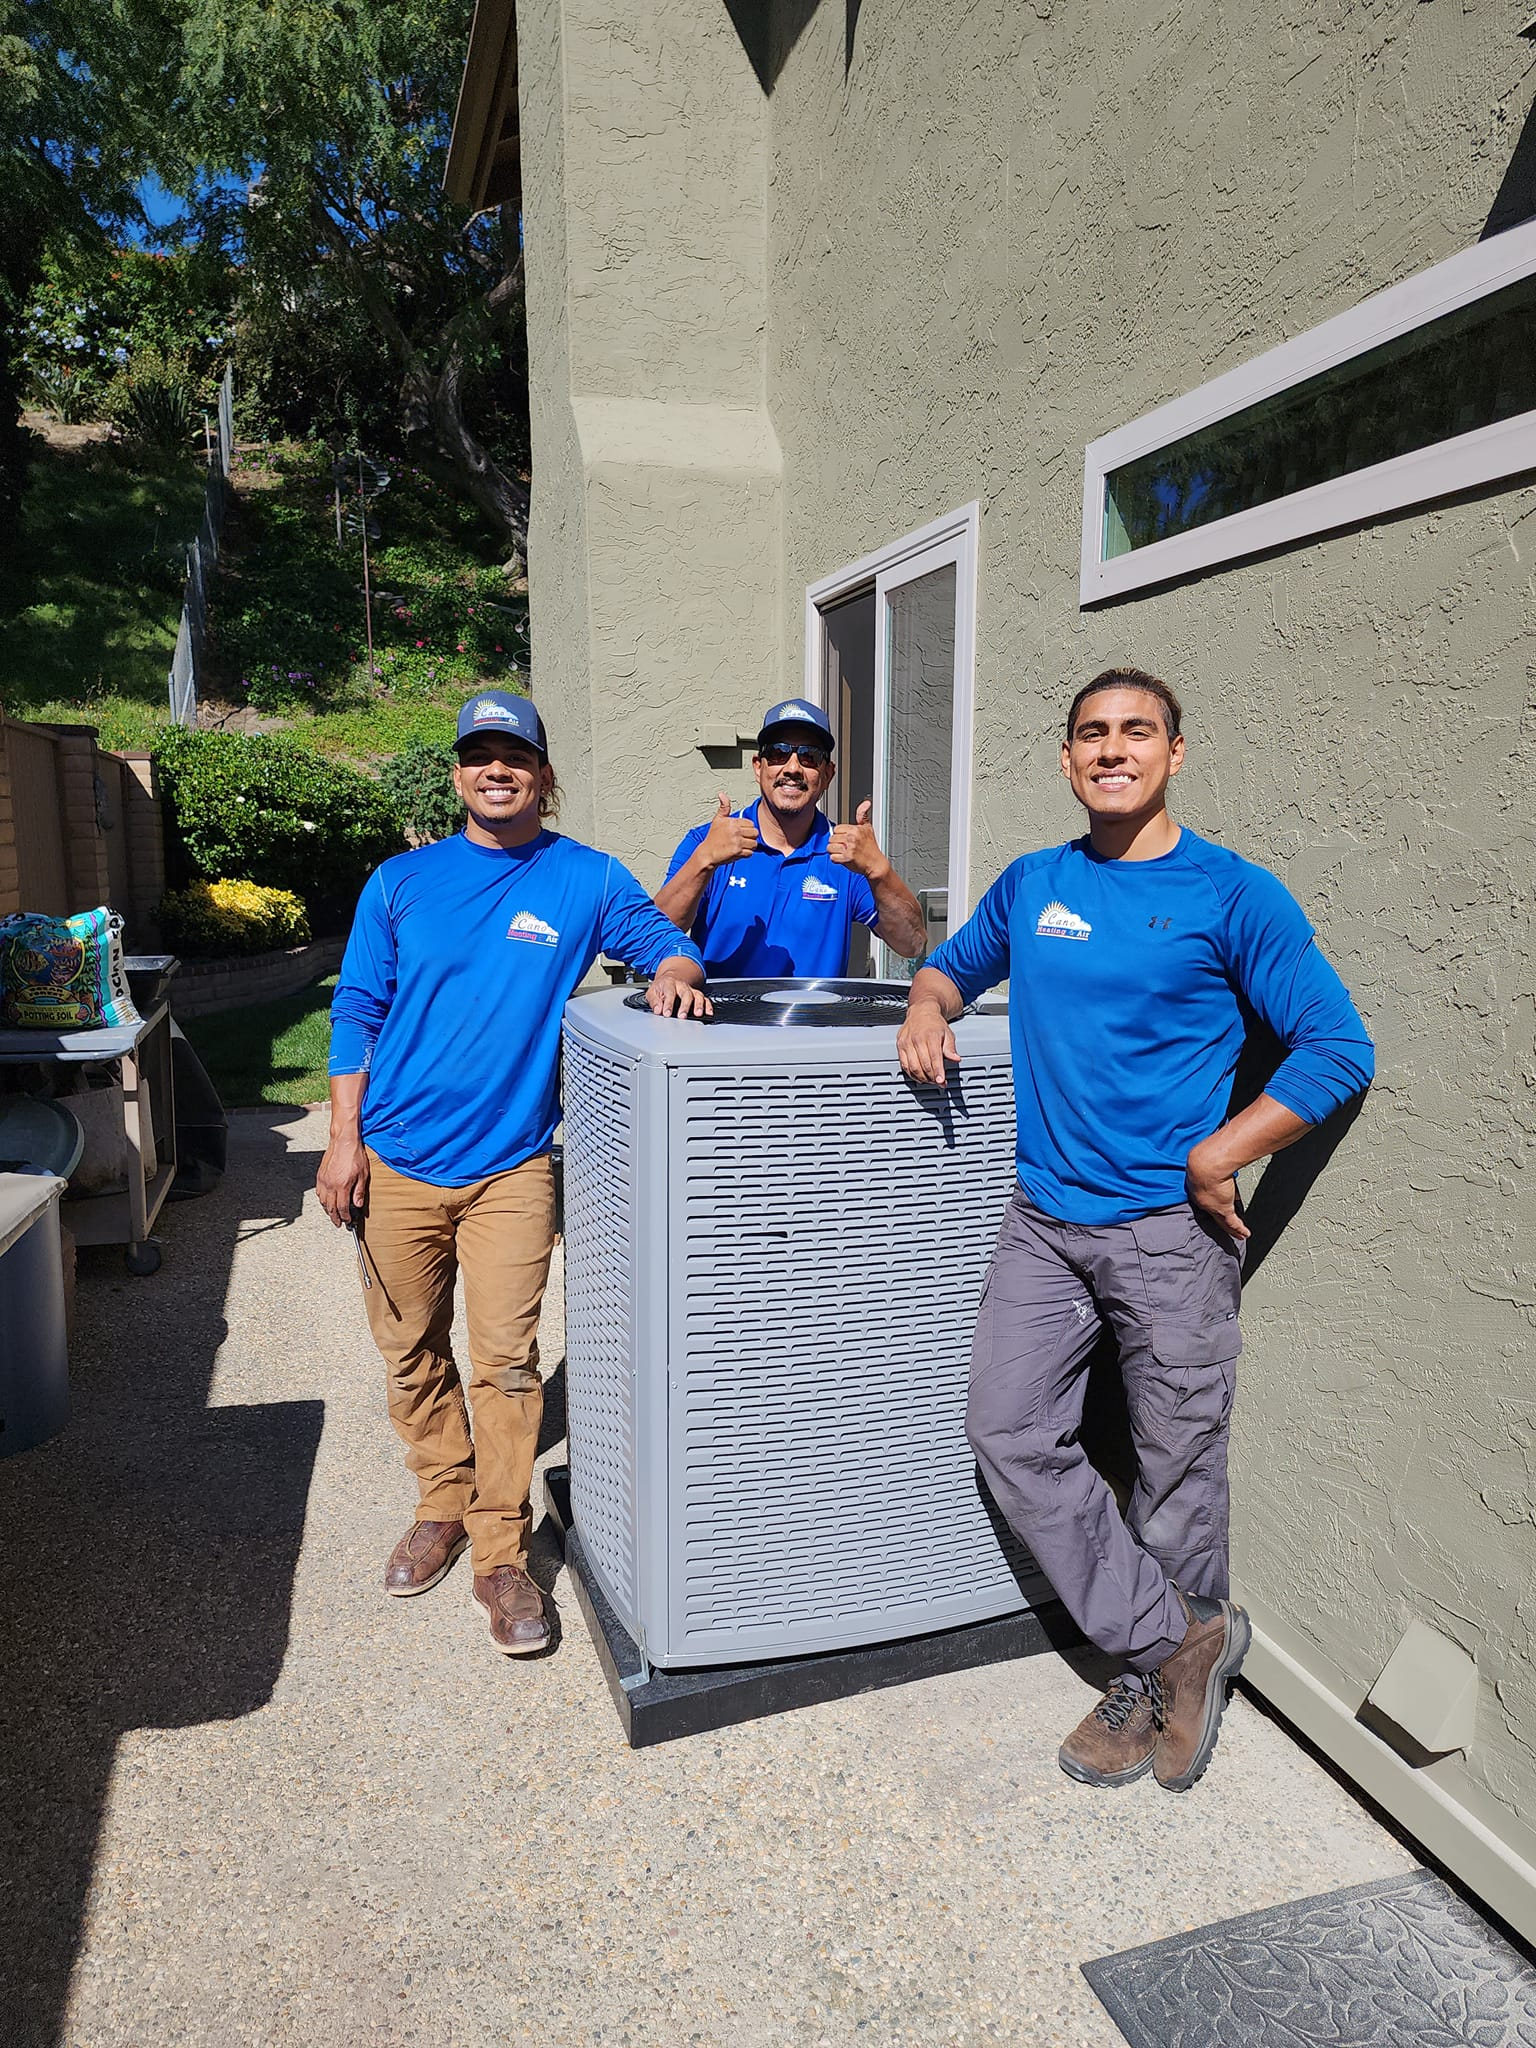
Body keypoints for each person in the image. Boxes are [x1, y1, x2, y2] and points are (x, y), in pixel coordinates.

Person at [897, 666, 1373, 1793]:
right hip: (1043, 1223)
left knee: (1174, 1472)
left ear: (1175, 752)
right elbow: (954, 967)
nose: (1113, 749)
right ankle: (1175, 1643)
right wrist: (924, 1002)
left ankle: (1158, 1673)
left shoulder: (1229, 894)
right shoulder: (1035, 883)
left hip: (1168, 1234)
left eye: (1136, 731)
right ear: (1066, 759)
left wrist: (1221, 1150)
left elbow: (1338, 1046)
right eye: (1092, 734)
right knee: (1008, 1430)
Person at [317, 690, 709, 1657]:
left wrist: (675, 970)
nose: (497, 771)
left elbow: (666, 941)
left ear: (543, 774)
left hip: (513, 1170)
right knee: (411, 1351)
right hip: (396, 1160)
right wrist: (342, 1137)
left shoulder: (582, 877)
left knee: (505, 1363)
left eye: (515, 757)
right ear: (458, 773)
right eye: (479, 756)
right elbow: (357, 1010)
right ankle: (438, 1501)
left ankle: (500, 1555)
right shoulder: (400, 882)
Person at [656, 697, 928, 975]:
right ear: (758, 767)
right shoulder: (708, 843)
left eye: (809, 756)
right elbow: (653, 938)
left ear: (827, 774)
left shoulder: (845, 854)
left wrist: (879, 870)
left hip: (815, 1018)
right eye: (778, 753)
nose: (793, 768)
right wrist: (704, 861)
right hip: (719, 1017)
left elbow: (912, 944)